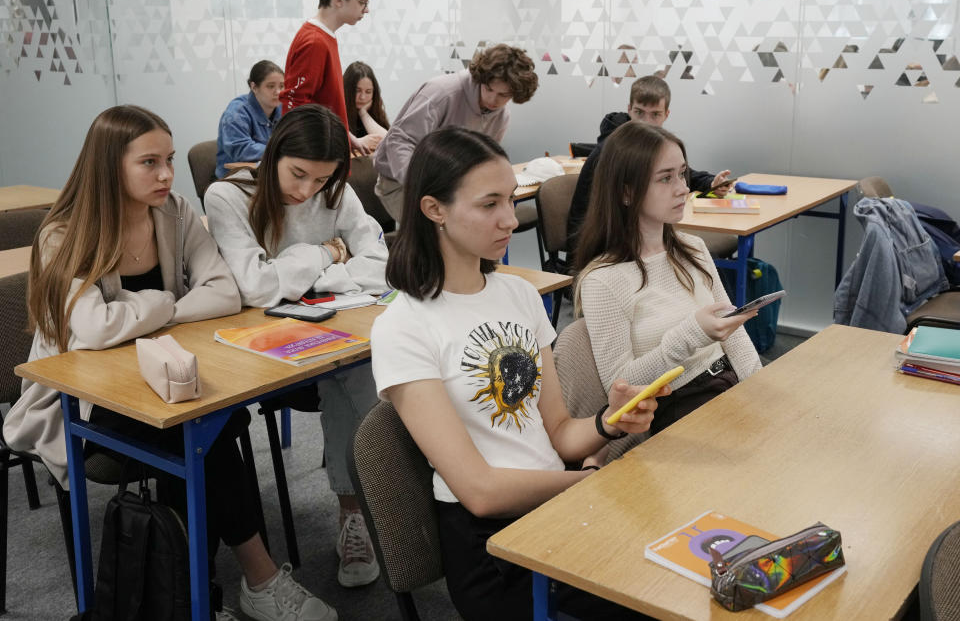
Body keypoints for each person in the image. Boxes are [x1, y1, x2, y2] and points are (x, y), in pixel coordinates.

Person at [2, 105, 334, 621]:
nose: (166, 175)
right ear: (110, 165)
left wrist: (145, 312)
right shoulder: (64, 232)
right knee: (204, 430)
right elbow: (90, 329)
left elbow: (224, 293)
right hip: (83, 401)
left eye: (171, 160)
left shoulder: (176, 212)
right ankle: (250, 581)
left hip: (171, 375)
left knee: (202, 421)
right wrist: (164, 306)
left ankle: (192, 595)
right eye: (149, 162)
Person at [370, 126, 666, 621]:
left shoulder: (520, 295)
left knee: (676, 578)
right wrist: (590, 484)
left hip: (559, 506)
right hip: (493, 549)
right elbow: (480, 492)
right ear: (433, 210)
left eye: (510, 200)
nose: (510, 219)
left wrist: (607, 423)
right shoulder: (403, 326)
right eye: (489, 205)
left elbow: (556, 432)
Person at [204, 104, 388, 589]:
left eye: (320, 179)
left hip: (324, 334)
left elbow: (381, 263)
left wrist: (303, 276)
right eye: (298, 174)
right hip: (256, 352)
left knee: (363, 365)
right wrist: (324, 252)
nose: (306, 191)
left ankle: (354, 512)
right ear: (275, 150)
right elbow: (256, 289)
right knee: (358, 371)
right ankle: (371, 504)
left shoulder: (335, 191)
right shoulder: (227, 196)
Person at [574, 121, 762, 437]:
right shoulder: (603, 280)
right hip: (678, 409)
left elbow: (735, 335)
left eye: (682, 174)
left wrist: (759, 387)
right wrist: (692, 335)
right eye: (665, 178)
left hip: (728, 385)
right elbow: (621, 390)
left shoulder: (693, 248)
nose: (683, 188)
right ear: (626, 193)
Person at [566, 74, 735, 250]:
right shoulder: (614, 152)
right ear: (629, 109)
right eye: (639, 113)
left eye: (655, 115)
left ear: (666, 115)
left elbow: (684, 173)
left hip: (634, 239)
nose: (646, 122)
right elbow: (597, 222)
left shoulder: (653, 146)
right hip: (602, 246)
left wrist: (711, 183)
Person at [373, 44, 539, 222]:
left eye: (503, 95)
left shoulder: (501, 117)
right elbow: (400, 141)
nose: (493, 100)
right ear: (481, 79)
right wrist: (422, 185)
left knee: (479, 229)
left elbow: (483, 160)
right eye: (489, 89)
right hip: (401, 184)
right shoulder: (442, 93)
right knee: (446, 233)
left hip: (451, 190)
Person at [280, 0, 376, 156]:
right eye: (362, 2)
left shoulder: (325, 37)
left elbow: (322, 104)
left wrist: (349, 137)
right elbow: (295, 106)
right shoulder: (314, 41)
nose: (366, 9)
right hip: (317, 159)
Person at [216, 60, 284, 178]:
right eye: (271, 86)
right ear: (254, 87)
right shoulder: (236, 112)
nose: (278, 92)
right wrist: (280, 150)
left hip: (269, 174)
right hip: (236, 178)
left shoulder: (282, 108)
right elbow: (241, 149)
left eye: (282, 86)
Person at [343, 60, 390, 145]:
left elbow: (387, 142)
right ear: (347, 90)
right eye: (357, 91)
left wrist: (363, 113)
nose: (362, 97)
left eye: (368, 92)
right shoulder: (338, 110)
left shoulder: (375, 111)